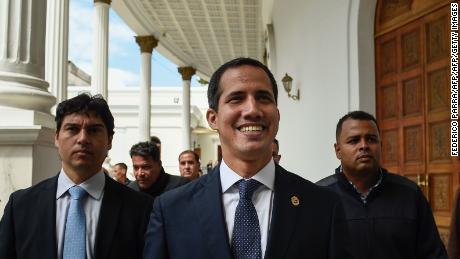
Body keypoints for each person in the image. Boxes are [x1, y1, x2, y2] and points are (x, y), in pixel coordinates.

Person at [143, 57, 352, 259]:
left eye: (263, 98)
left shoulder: (323, 206)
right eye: (236, 98)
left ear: (277, 116)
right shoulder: (171, 210)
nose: (252, 109)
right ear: (213, 118)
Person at [0, 93, 153, 259]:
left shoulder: (141, 209)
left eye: (94, 130)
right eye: (72, 129)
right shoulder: (21, 206)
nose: (83, 139)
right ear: (57, 137)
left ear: (109, 140)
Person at [317, 110, 447, 259]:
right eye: (354, 140)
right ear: (338, 150)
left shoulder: (410, 194)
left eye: (371, 139)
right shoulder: (320, 197)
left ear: (381, 145)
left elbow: (433, 254)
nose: (364, 146)